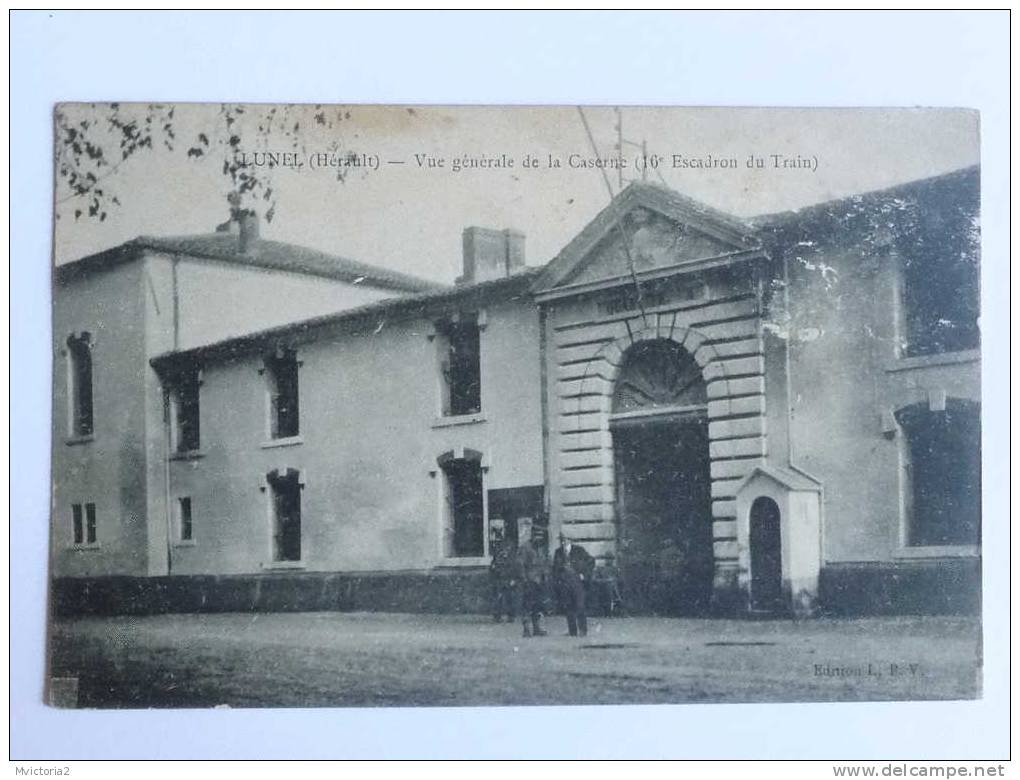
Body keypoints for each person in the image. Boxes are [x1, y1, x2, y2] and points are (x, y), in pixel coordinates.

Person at [552, 530, 595, 637]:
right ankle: (572, 631)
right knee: (568, 606)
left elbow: (591, 561)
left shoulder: (579, 551)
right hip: (564, 583)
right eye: (561, 540)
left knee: (580, 605)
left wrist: (584, 574)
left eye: (565, 539)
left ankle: (583, 630)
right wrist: (558, 579)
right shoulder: (558, 552)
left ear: (570, 540)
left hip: (577, 582)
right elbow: (554, 568)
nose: (563, 542)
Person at [515, 524, 548, 638]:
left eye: (541, 536)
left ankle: (537, 628)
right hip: (529, 581)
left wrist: (545, 577)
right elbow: (520, 565)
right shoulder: (525, 548)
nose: (539, 538)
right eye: (537, 536)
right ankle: (526, 629)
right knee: (527, 606)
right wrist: (524, 579)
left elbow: (543, 564)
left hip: (539, 581)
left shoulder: (541, 549)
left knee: (537, 606)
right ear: (533, 535)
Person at [488, 536, 517, 623]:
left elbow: (515, 569)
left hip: (508, 580)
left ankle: (511, 616)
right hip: (499, 580)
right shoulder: (497, 558)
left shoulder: (512, 559)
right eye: (503, 548)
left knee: (510, 598)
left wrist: (513, 579)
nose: (505, 550)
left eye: (507, 548)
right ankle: (497, 616)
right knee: (498, 598)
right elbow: (492, 569)